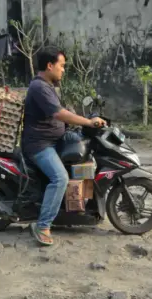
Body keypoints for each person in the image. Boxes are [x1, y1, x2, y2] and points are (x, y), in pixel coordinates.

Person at [21, 46, 106, 247]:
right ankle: (42, 226)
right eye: (62, 66)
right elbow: (59, 114)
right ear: (50, 66)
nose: (63, 70)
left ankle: (75, 207)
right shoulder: (39, 88)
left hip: (54, 139)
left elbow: (64, 110)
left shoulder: (48, 86)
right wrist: (87, 122)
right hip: (40, 145)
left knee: (83, 152)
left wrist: (86, 118)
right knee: (60, 178)